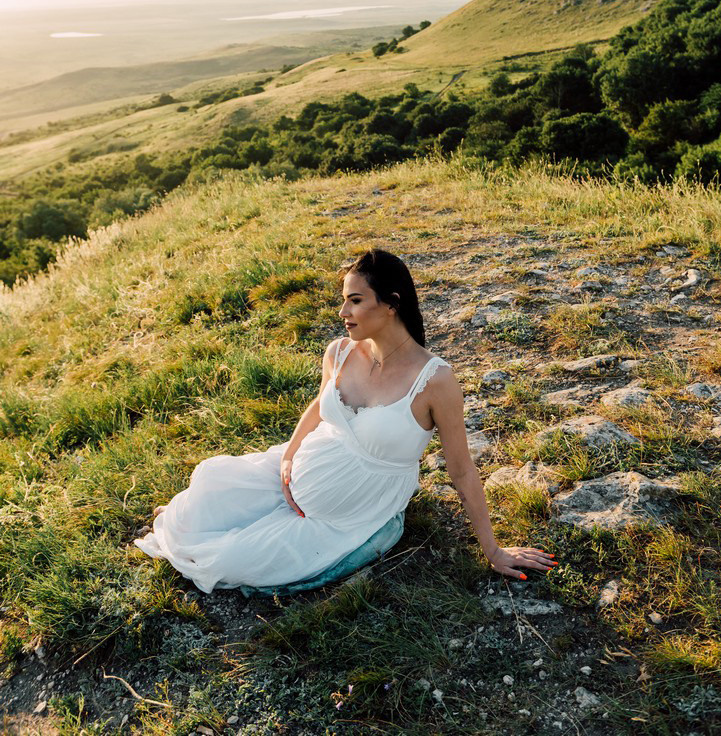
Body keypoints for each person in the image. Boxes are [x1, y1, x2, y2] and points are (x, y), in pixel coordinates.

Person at [135, 248, 558, 591]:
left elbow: (462, 470)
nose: (343, 311)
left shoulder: (435, 381)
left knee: (230, 561)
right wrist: (289, 456)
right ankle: (235, 506)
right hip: (296, 474)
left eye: (355, 300)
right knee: (205, 494)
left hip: (349, 515)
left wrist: (493, 550)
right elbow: (318, 408)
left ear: (391, 304)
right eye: (344, 299)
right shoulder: (339, 351)